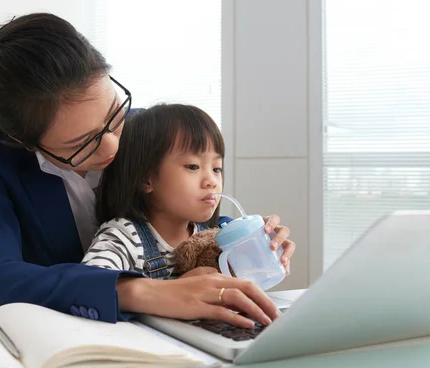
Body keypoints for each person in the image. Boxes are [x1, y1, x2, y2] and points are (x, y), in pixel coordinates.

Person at [0, 12, 294, 329]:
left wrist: (245, 242)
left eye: (113, 114)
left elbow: (186, 218)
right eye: (83, 142)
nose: (112, 146)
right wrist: (141, 292)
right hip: (68, 333)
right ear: (24, 141)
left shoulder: (143, 131)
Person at [82, 104, 294, 283]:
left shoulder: (215, 236)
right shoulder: (124, 237)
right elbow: (88, 285)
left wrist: (262, 248)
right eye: (193, 166)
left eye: (216, 168)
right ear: (146, 179)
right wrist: (176, 289)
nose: (211, 181)